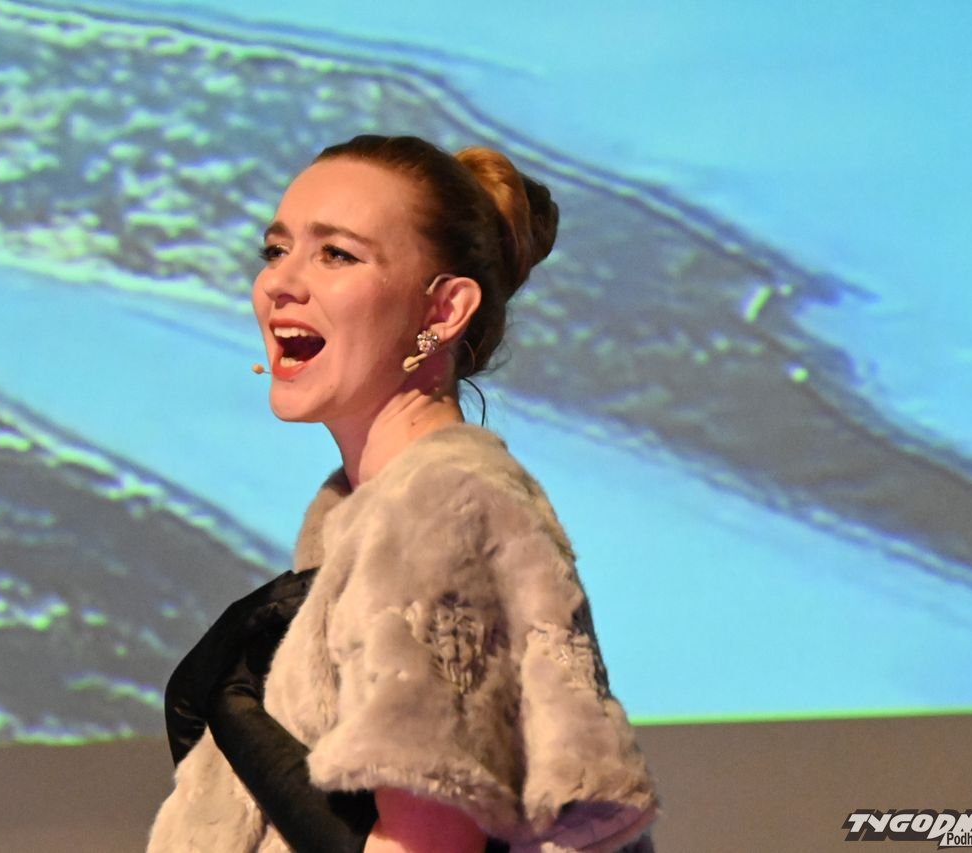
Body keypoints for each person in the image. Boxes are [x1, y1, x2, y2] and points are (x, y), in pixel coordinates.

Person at [147, 135, 657, 853]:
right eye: (276, 249)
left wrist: (247, 733)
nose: (281, 282)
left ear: (444, 310)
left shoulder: (437, 512)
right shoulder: (371, 513)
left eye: (337, 254)